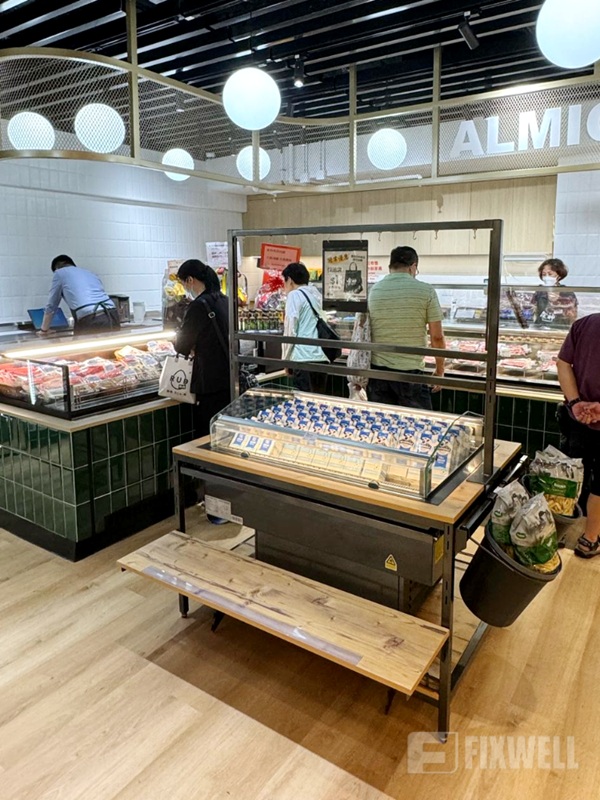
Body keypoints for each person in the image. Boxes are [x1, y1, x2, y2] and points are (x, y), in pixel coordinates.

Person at [367, 246, 445, 410]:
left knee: (382, 420)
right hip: (410, 374)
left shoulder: (374, 290)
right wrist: (440, 370)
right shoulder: (426, 291)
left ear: (391, 266)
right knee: (419, 422)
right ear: (413, 267)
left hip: (378, 373)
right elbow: (437, 337)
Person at [556, 312, 600, 558]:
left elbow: (563, 363)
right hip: (586, 416)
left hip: (577, 418)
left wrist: (575, 403)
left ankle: (558, 533)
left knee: (572, 475)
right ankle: (589, 540)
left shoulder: (585, 323)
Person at [174, 259, 231, 438]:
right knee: (224, 431)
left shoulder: (199, 305)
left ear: (190, 280)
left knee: (207, 433)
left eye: (183, 283)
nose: (184, 287)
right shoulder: (225, 300)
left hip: (209, 380)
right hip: (228, 376)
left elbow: (182, 346)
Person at [39, 255, 120, 335]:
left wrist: (44, 330)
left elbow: (52, 305)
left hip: (90, 317)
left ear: (57, 268)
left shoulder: (59, 273)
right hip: (112, 313)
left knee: (84, 343)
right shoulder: (89, 273)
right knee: (112, 342)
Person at [281, 261, 328, 393]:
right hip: (322, 357)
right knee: (319, 400)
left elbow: (290, 330)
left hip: (303, 358)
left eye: (284, 281)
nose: (284, 286)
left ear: (290, 280)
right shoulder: (316, 294)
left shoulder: (294, 295)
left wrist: (285, 361)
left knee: (304, 401)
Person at [534, 258, 578, 328]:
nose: (546, 277)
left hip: (560, 328)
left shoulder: (567, 292)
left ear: (559, 276)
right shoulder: (540, 291)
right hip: (541, 328)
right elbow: (533, 310)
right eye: (544, 274)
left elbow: (573, 316)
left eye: (550, 274)